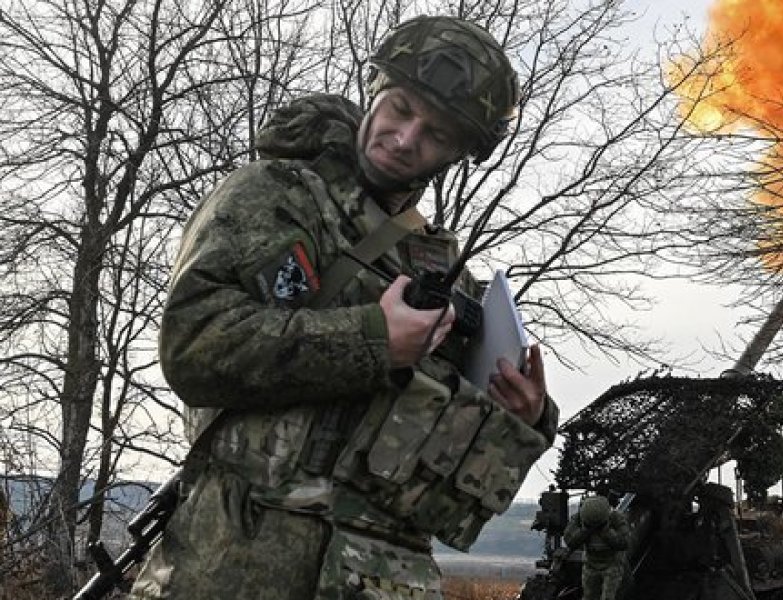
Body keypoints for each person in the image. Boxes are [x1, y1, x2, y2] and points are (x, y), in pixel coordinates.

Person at [128, 15, 558, 600]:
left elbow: (449, 465)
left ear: (458, 154)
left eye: (435, 134)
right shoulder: (276, 194)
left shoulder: (443, 271)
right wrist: (373, 339)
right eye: (401, 108)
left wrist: (521, 414)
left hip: (384, 578)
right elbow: (194, 346)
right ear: (376, 89)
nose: (406, 139)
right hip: (239, 565)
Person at [563, 496, 631, 600]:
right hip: (591, 564)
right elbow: (570, 541)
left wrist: (606, 531)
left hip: (612, 564)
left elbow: (623, 543)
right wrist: (585, 531)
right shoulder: (579, 518)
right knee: (589, 596)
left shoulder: (616, 518)